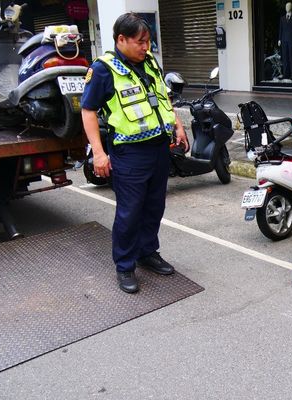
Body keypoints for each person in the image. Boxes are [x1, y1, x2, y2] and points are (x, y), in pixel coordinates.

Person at [81, 13, 188, 294]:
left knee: (155, 206)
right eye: (141, 42)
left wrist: (178, 125)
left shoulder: (149, 62)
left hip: (158, 148)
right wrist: (99, 153)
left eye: (148, 42)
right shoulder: (104, 69)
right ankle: (125, 265)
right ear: (121, 40)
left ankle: (147, 252)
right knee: (130, 212)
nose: (146, 47)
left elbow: (163, 98)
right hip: (129, 153)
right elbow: (88, 110)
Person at [278, 2, 292, 80]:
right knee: (285, 58)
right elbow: (280, 30)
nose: (287, 7)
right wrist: (279, 39)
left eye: (289, 6)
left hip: (291, 40)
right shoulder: (282, 18)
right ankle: (285, 74)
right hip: (284, 40)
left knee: (291, 57)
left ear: (291, 7)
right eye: (286, 6)